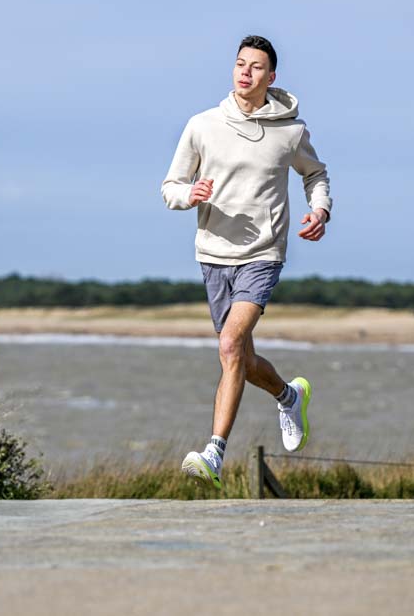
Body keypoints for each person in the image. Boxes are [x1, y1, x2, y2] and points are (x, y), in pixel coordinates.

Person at [160, 35, 332, 488]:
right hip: (214, 253)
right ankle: (288, 395)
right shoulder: (202, 125)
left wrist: (321, 209)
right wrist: (188, 194)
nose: (245, 72)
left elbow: (315, 174)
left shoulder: (290, 131)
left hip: (263, 253)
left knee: (231, 345)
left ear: (270, 77)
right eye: (240, 64)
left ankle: (214, 453)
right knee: (242, 357)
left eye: (255, 67)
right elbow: (170, 185)